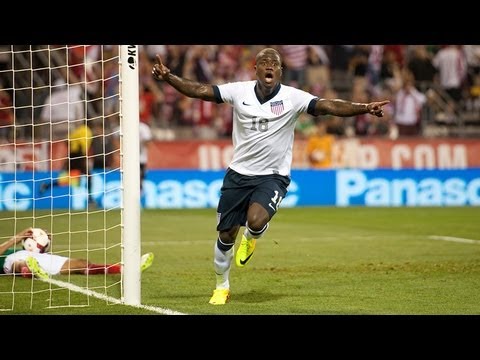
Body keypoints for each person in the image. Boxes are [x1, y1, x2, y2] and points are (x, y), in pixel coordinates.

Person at [152, 47, 389, 305]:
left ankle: (252, 238)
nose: (269, 66)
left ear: (280, 71)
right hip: (238, 175)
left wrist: (364, 107)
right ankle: (222, 285)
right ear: (255, 69)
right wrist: (169, 77)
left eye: (274, 63)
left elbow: (328, 105)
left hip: (273, 176)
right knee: (226, 236)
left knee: (255, 220)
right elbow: (200, 91)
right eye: (263, 62)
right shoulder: (238, 91)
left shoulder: (292, 97)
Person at [0, 227, 154, 279]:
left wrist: (45, 241)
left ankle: (125, 268)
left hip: (40, 258)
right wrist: (18, 237)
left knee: (82, 263)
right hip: (17, 259)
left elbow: (40, 250)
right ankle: (28, 270)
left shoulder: (38, 251)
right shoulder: (11, 253)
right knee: (18, 264)